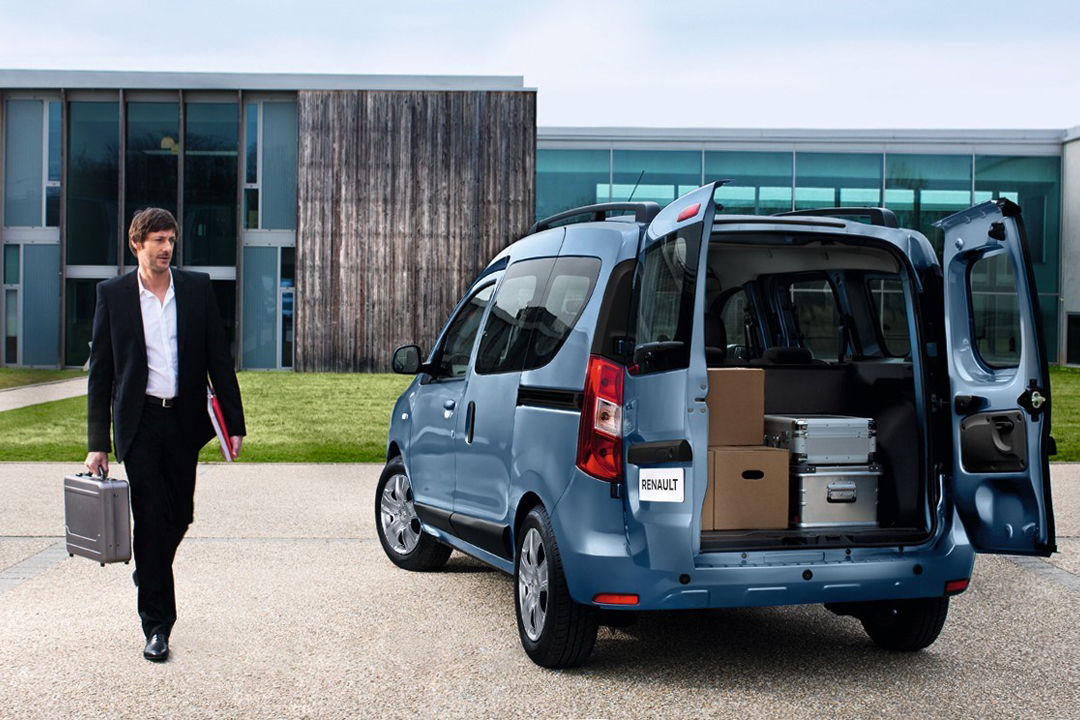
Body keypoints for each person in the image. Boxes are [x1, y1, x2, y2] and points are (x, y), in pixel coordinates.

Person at [85, 208, 245, 662]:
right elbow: (101, 374)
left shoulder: (195, 288)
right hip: (139, 424)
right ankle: (157, 625)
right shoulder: (113, 295)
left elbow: (218, 357)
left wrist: (234, 423)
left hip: (183, 422)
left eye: (171, 239)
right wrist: (97, 443)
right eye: (158, 239)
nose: (166, 248)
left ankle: (148, 570)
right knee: (151, 518)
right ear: (137, 243)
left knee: (180, 517)